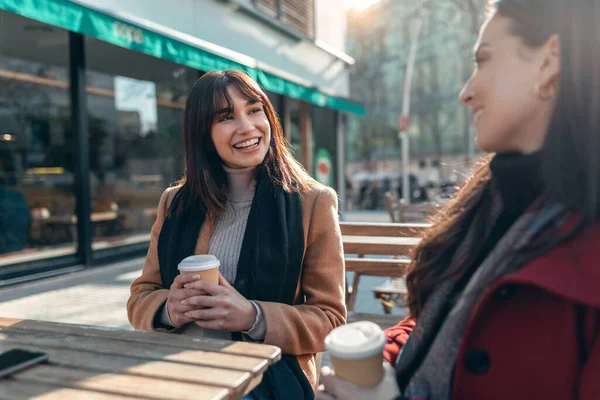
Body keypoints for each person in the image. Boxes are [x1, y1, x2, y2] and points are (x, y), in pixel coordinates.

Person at [318, 0, 600, 399]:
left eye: (483, 61)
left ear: (549, 61)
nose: (466, 93)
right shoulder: (492, 198)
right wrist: (382, 359)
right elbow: (438, 326)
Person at [128, 70, 346, 399]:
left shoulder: (312, 202)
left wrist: (252, 317)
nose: (247, 127)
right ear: (203, 134)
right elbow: (140, 298)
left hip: (264, 380)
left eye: (254, 109)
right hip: (176, 373)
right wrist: (167, 310)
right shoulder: (175, 203)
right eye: (227, 117)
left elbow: (330, 321)